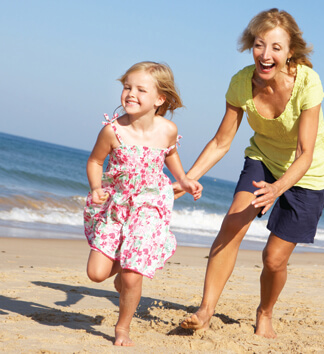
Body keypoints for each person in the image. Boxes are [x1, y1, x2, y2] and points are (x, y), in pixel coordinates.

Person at [176, 8, 324, 338]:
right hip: (263, 158)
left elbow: (305, 153)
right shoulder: (240, 83)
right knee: (233, 222)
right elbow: (222, 142)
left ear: (290, 51)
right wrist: (186, 177)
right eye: (259, 45)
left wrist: (278, 188)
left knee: (273, 259)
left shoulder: (308, 82)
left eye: (276, 48)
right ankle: (205, 310)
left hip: (310, 175)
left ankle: (265, 312)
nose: (265, 55)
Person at [83, 61, 202, 346]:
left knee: (134, 275)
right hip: (118, 204)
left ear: (160, 99)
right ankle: (122, 269)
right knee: (96, 274)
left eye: (140, 90)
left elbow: (169, 155)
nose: (131, 94)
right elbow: (95, 161)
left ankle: (123, 327)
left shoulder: (167, 130)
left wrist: (183, 180)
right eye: (127, 87)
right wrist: (96, 187)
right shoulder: (112, 131)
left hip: (150, 205)